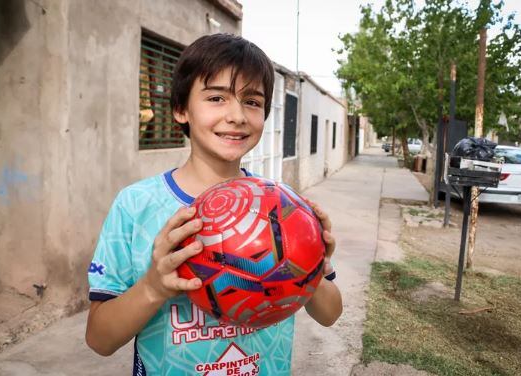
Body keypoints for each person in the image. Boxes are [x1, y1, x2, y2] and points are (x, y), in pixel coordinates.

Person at [86, 33, 342, 376]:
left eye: (252, 101)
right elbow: (100, 340)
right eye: (217, 97)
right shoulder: (136, 205)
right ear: (180, 109)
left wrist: (311, 270)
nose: (237, 115)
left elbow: (330, 314)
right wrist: (152, 287)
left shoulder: (283, 211)